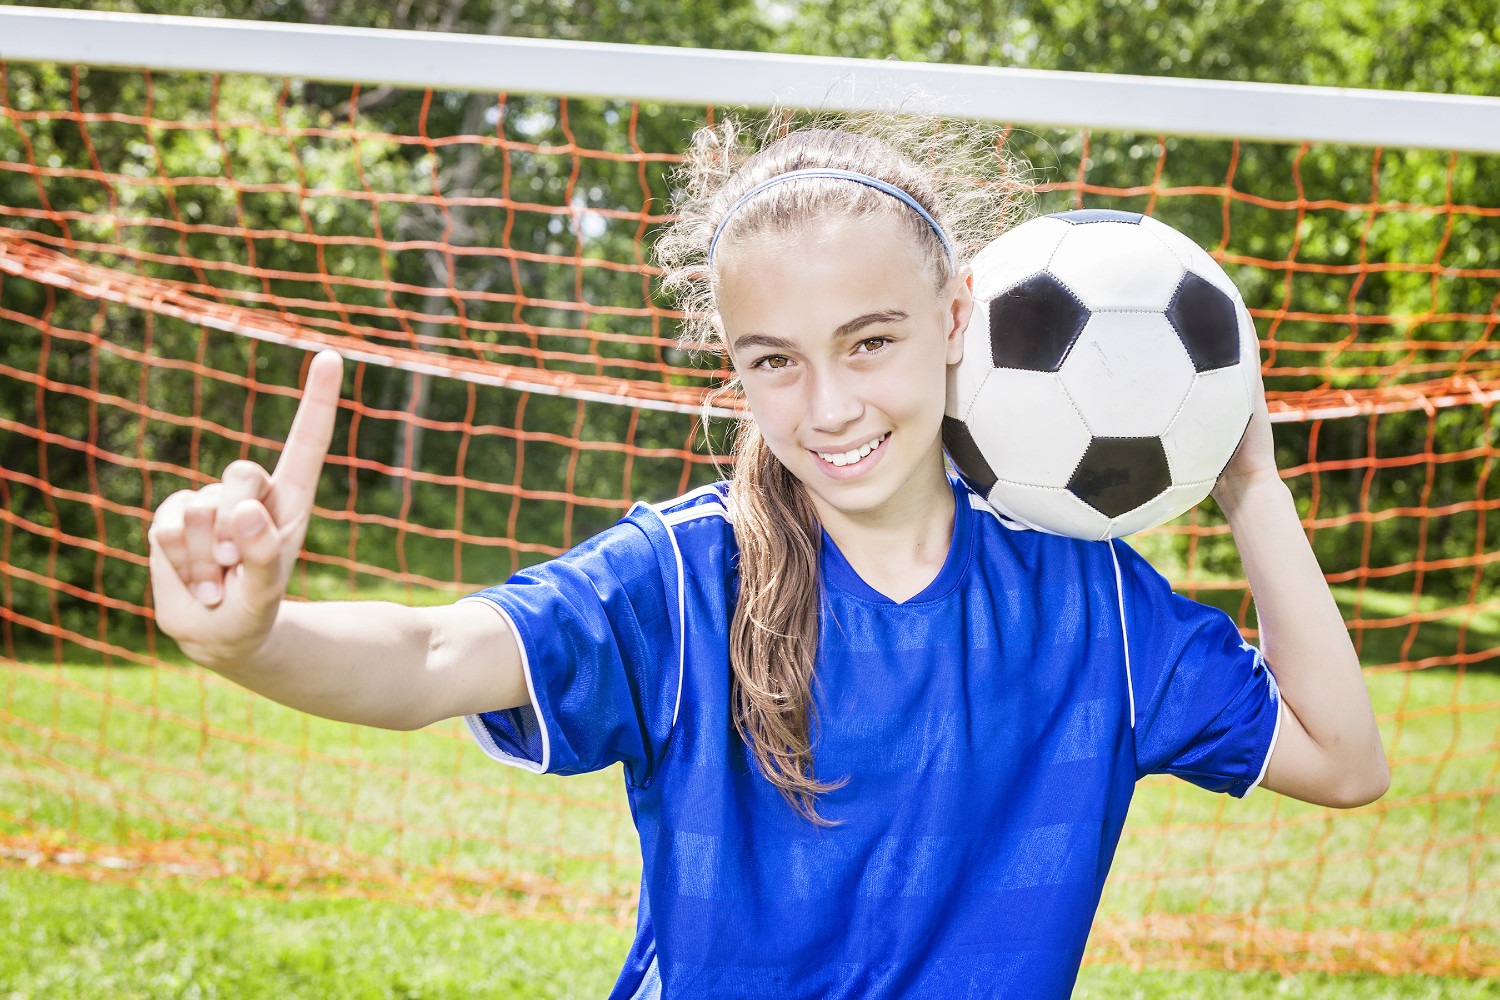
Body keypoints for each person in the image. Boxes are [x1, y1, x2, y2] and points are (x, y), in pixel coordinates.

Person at [147, 115, 1388, 999]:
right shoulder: (687, 580)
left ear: (956, 320)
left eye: (869, 341)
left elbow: (1341, 760)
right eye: (774, 360)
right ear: (734, 365)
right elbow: (429, 654)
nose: (829, 405)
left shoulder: (1087, 601)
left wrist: (1253, 488)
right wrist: (257, 637)